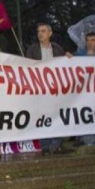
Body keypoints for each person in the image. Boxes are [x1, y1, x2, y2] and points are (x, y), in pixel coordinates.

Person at [25, 23, 65, 153]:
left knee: (56, 116)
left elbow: (66, 66)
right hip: (39, 90)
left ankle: (56, 144)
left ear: (50, 33)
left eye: (43, 31)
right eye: (38, 31)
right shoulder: (32, 50)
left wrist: (69, 58)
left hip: (55, 90)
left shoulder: (58, 49)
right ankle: (44, 145)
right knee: (41, 117)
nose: (40, 34)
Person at [72, 32, 95, 145]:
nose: (90, 43)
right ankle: (87, 141)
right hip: (84, 93)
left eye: (92, 40)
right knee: (86, 116)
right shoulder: (80, 54)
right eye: (88, 40)